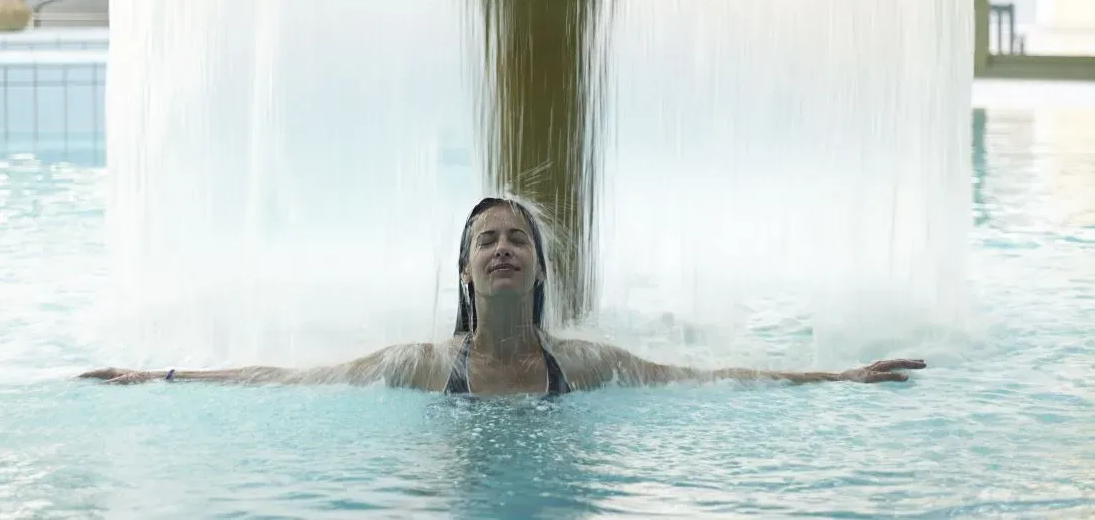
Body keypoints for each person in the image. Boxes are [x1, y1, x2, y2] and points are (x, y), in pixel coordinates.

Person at [79, 196, 926, 394]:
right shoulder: (420, 363)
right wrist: (164, 380)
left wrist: (839, 381)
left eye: (517, 238)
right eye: (486, 240)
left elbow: (707, 380)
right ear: (465, 271)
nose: (504, 247)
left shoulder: (584, 363)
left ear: (539, 268)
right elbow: (295, 379)